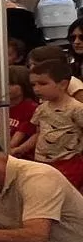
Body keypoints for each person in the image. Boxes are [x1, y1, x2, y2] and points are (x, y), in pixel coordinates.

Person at [29, 57, 83, 188]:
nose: (36, 89)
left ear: (63, 84)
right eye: (33, 85)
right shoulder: (41, 108)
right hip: (42, 162)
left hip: (68, 162)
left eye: (42, 84)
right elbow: (38, 133)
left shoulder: (76, 108)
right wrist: (19, 149)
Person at [8, 65, 38, 158]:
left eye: (11, 84)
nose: (5, 87)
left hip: (18, 156)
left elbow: (17, 139)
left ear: (24, 86)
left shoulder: (30, 108)